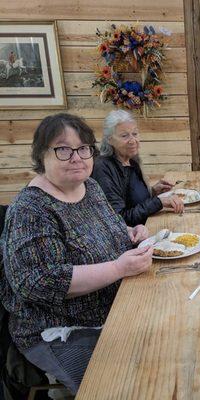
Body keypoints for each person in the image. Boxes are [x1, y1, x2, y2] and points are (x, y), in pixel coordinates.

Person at [0, 113, 154, 394]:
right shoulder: (30, 209)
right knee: (132, 383)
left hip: (116, 309)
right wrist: (118, 268)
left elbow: (112, 229)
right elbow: (38, 282)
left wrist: (130, 233)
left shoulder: (90, 188)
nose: (77, 157)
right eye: (63, 149)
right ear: (41, 155)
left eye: (83, 148)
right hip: (57, 331)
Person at [91, 110, 184, 226]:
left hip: (148, 224)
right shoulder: (103, 167)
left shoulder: (132, 160)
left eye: (135, 134)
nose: (133, 140)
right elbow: (119, 219)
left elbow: (134, 201)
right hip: (133, 237)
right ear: (110, 140)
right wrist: (158, 202)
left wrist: (153, 192)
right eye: (124, 136)